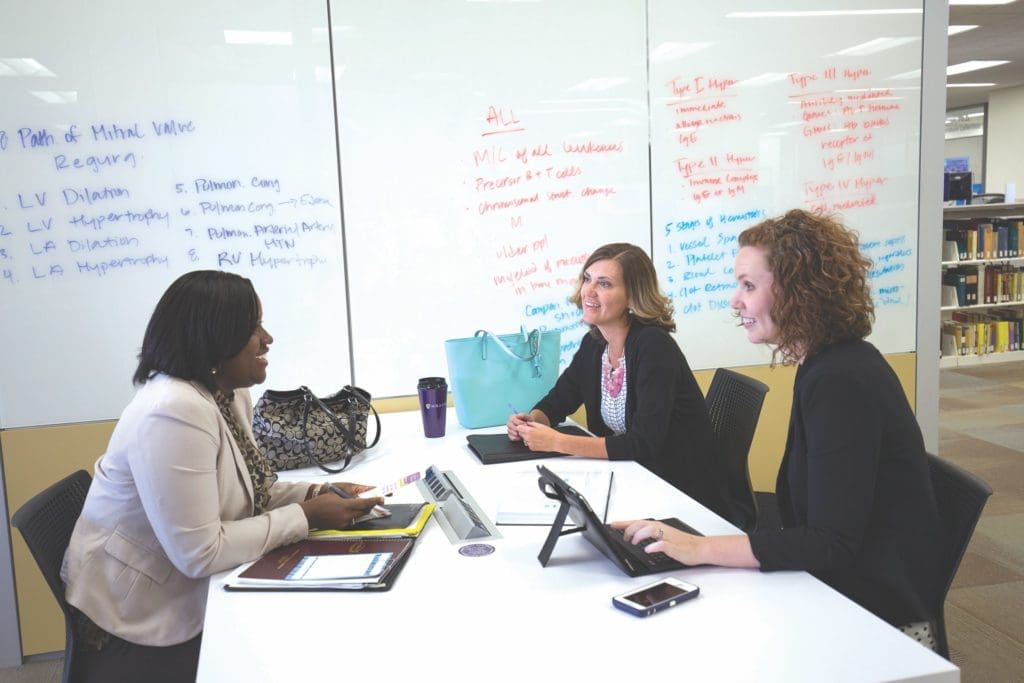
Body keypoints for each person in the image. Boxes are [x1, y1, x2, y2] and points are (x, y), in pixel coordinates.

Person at [613, 210, 946, 647]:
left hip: (878, 620)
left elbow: (830, 543)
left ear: (797, 293)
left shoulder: (839, 381)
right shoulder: (829, 364)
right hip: (840, 584)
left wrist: (698, 549)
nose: (736, 301)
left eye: (749, 286)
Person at [62, 270, 384, 682]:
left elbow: (255, 490)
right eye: (253, 328)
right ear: (214, 338)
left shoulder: (225, 392)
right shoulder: (172, 411)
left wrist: (320, 492)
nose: (267, 339)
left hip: (184, 590)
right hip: (140, 621)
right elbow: (201, 553)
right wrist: (309, 516)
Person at [506, 242, 729, 518]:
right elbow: (558, 401)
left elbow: (643, 444)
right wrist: (531, 422)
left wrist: (557, 442)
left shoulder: (653, 347)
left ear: (632, 297)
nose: (589, 290)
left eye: (605, 284)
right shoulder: (595, 343)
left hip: (680, 495)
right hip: (631, 479)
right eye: (587, 279)